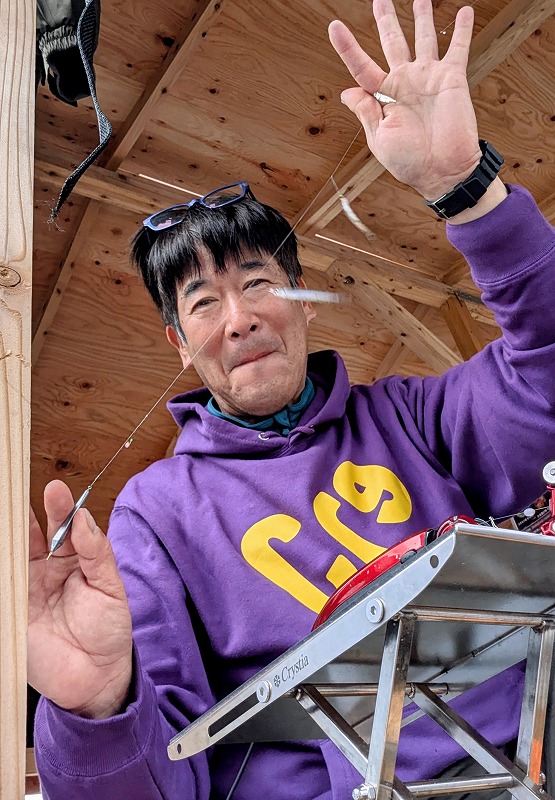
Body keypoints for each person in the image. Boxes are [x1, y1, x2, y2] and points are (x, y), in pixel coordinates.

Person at [28, 1, 555, 798]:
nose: (238, 318)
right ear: (179, 344)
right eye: (202, 303)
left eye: (257, 283)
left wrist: (464, 188)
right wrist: (96, 705)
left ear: (303, 303)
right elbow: (161, 781)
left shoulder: (411, 419)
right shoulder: (153, 514)